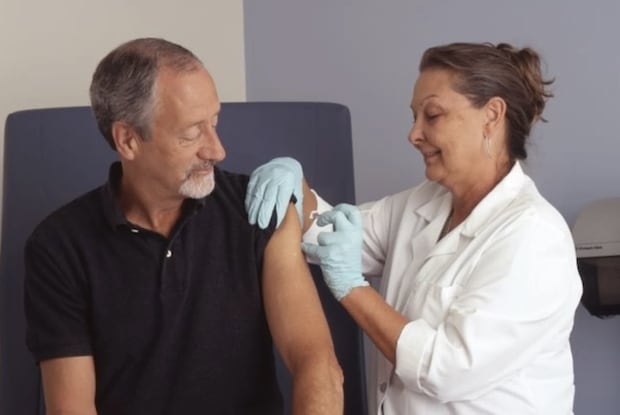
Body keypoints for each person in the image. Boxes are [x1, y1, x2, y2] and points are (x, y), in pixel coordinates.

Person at [245, 42, 583, 414]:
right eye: (414, 117)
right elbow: (327, 233)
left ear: (492, 115)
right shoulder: (422, 204)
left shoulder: (534, 237)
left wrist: (352, 288)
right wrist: (297, 186)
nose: (413, 134)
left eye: (432, 115)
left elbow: (447, 370)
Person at [24, 37, 343, 415]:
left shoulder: (259, 211)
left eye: (215, 122)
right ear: (127, 140)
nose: (217, 149)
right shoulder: (59, 247)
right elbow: (72, 409)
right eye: (192, 133)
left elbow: (317, 365)